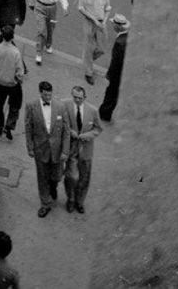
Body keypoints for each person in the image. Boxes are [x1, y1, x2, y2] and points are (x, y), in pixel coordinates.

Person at [24, 79, 66, 216]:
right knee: (42, 177)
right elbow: (28, 127)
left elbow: (66, 130)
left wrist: (65, 150)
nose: (48, 97)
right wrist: (30, 147)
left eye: (50, 95)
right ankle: (45, 204)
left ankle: (53, 186)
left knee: (57, 176)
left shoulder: (60, 106)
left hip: (57, 149)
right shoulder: (31, 106)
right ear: (40, 93)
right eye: (46, 95)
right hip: (40, 148)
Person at [59, 82, 101, 213]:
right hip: (71, 147)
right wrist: (70, 130)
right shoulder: (64, 104)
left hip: (85, 149)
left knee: (84, 177)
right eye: (75, 97)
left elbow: (98, 128)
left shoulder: (92, 111)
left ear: (85, 97)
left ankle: (80, 201)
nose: (77, 100)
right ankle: (70, 199)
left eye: (80, 98)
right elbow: (59, 121)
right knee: (71, 177)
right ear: (72, 96)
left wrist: (86, 135)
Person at [0, 26, 27, 139]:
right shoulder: (15, 52)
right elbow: (19, 70)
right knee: (15, 105)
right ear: (12, 37)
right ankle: (9, 126)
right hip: (12, 84)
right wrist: (19, 80)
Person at [77, 0, 113, 83]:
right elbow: (81, 8)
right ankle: (88, 72)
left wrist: (104, 21)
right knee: (89, 48)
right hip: (89, 22)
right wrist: (94, 20)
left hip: (101, 22)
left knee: (102, 48)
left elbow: (108, 8)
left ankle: (88, 60)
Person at [29, 0, 68, 64]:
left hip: (52, 8)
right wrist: (31, 4)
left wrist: (65, 7)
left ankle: (48, 44)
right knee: (41, 30)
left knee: (51, 28)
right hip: (40, 7)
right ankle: (39, 53)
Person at [98, 14, 129, 122]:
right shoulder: (126, 37)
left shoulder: (120, 42)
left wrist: (109, 75)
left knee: (111, 93)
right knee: (114, 94)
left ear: (117, 26)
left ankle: (104, 114)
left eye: (114, 24)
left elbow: (116, 62)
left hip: (118, 74)